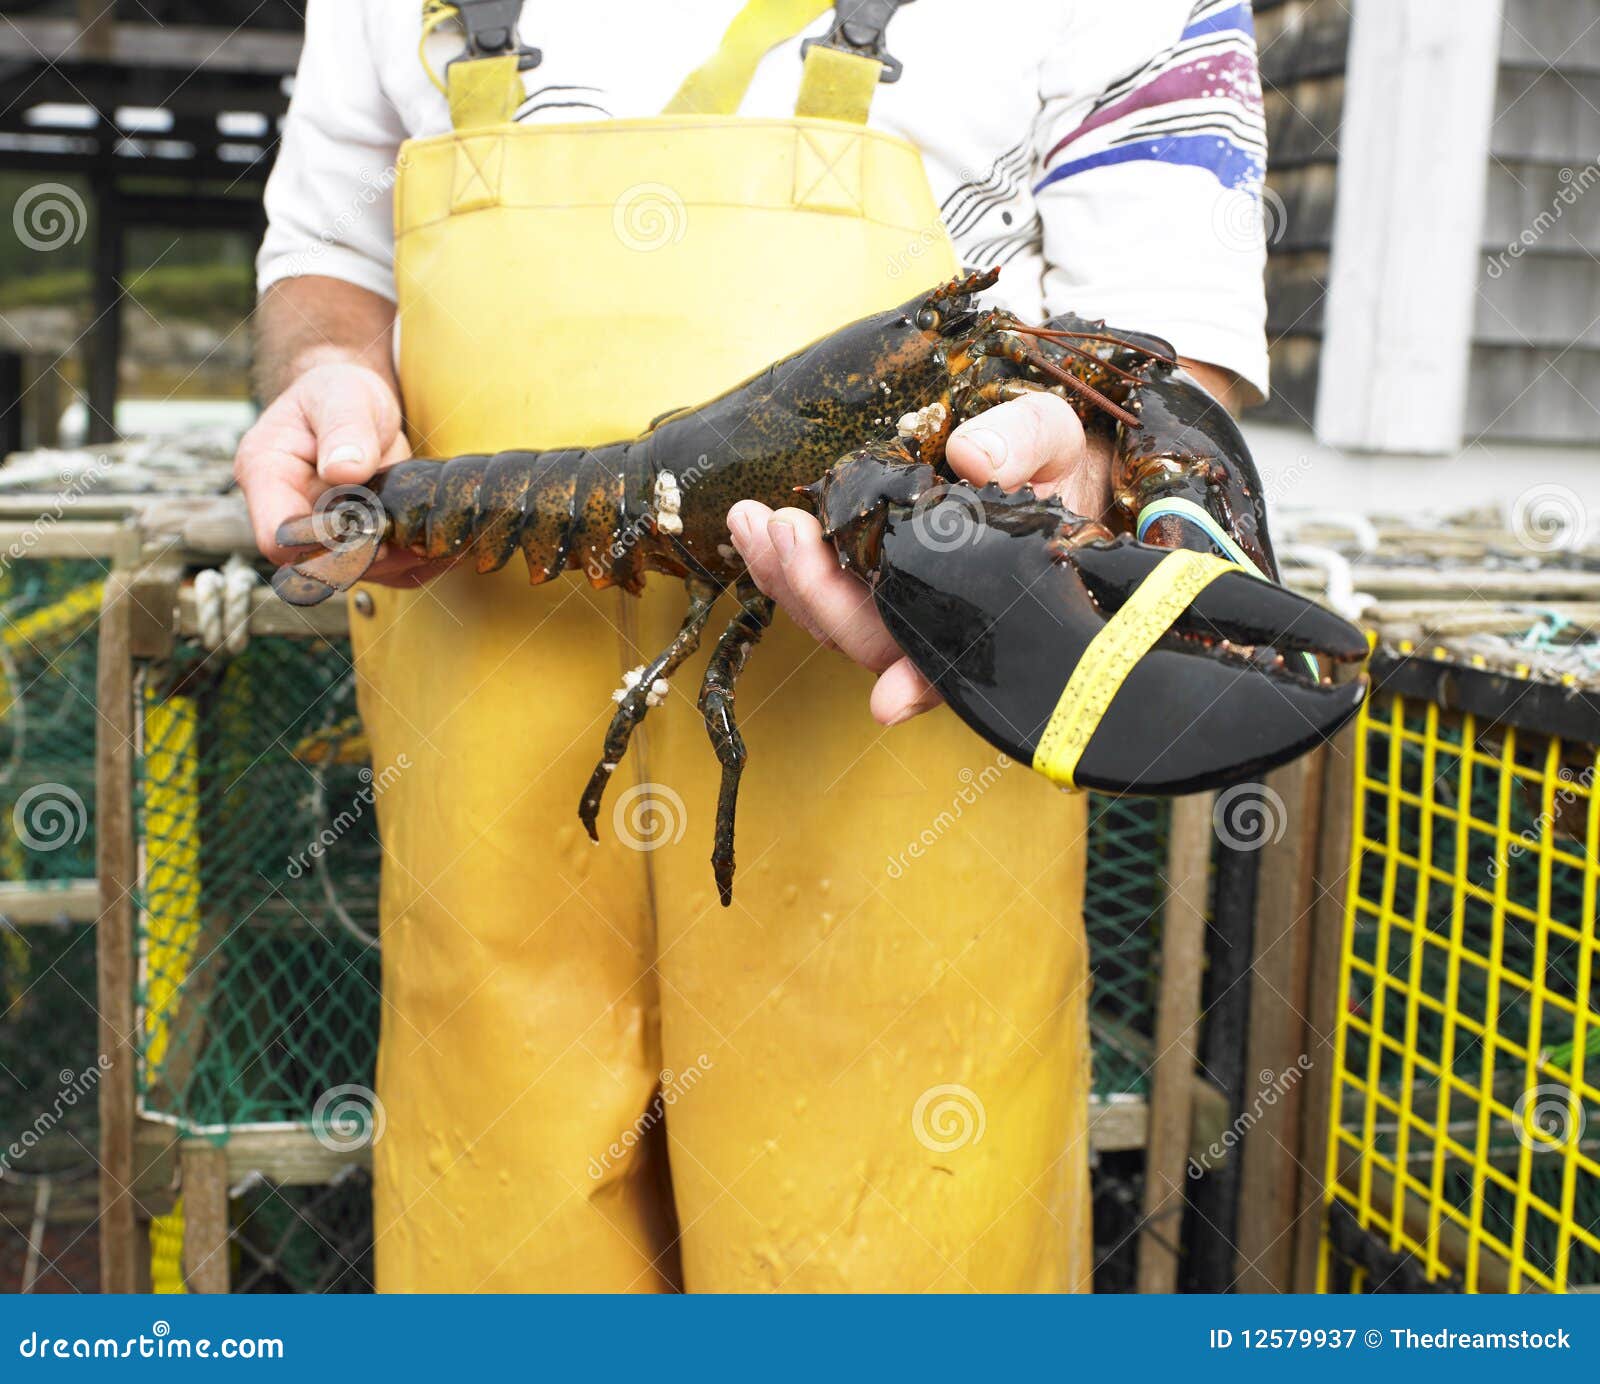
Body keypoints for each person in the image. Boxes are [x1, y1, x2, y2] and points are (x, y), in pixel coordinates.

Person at [236, 0, 1269, 1292]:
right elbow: (328, 253)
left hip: (914, 797)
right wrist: (328, 373)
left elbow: (1167, 346)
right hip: (486, 814)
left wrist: (1090, 460)